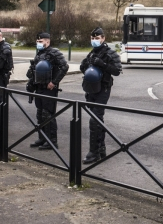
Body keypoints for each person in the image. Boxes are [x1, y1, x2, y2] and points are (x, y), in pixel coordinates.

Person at [79, 27, 122, 164]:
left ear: (103, 38)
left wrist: (102, 64)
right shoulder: (92, 53)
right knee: (97, 119)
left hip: (103, 89)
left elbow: (116, 71)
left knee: (94, 120)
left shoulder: (110, 53)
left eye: (97, 38)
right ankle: (101, 148)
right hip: (90, 89)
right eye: (92, 38)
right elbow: (83, 68)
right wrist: (85, 66)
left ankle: (93, 152)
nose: (94, 41)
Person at [26, 32, 69, 150]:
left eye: (40, 42)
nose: (38, 43)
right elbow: (34, 70)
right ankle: (42, 138)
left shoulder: (54, 53)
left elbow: (64, 67)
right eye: (37, 41)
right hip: (39, 87)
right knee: (40, 114)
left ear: (47, 42)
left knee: (48, 114)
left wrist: (54, 82)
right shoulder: (39, 54)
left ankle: (52, 141)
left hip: (49, 89)